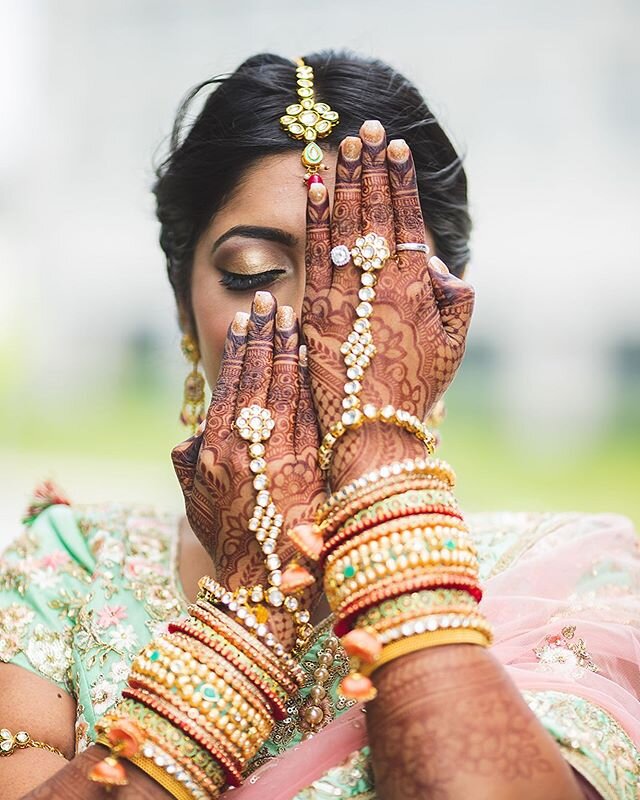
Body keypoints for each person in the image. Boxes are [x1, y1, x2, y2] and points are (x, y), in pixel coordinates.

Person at [0, 51, 638, 800]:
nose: (318, 326)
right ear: (182, 309)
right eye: (254, 274)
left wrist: (377, 460)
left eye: (371, 280)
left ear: (445, 320)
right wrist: (247, 620)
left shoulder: (573, 577)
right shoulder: (70, 568)